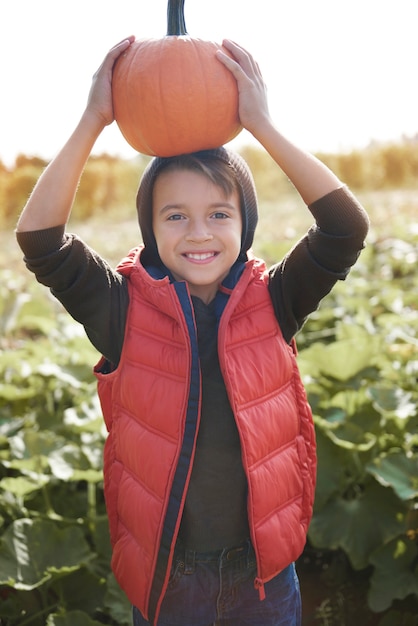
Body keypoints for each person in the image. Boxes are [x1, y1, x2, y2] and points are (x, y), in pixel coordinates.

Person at [16, 36, 369, 626]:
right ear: (151, 231)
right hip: (170, 581)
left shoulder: (275, 300)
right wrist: (94, 117)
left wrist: (259, 123)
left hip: (264, 577)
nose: (198, 232)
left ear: (245, 224)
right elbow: (41, 242)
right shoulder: (121, 310)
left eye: (220, 214)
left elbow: (344, 229)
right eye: (175, 215)